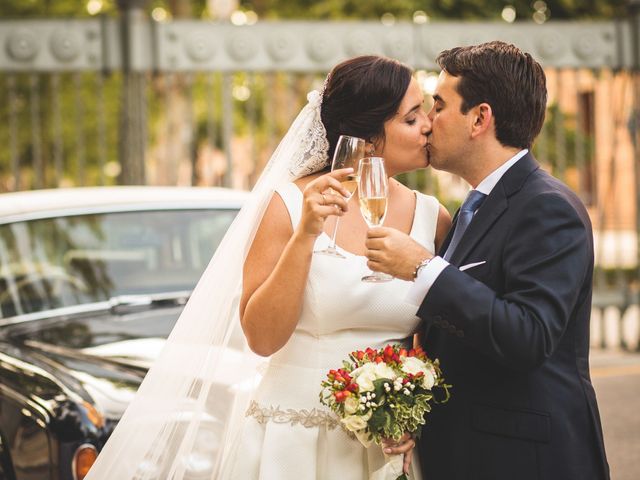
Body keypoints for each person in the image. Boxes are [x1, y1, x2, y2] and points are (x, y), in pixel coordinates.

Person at [86, 55, 450, 480]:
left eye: (425, 111)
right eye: (411, 117)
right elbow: (261, 338)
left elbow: (438, 337)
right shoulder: (288, 205)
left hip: (386, 449)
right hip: (293, 438)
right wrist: (306, 235)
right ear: (368, 140)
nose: (428, 124)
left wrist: (408, 413)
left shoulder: (433, 217)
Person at [364, 41, 610, 480]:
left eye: (438, 105)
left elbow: (528, 336)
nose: (428, 122)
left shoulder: (548, 208)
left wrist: (424, 268)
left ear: (479, 118)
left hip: (526, 460)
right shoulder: (473, 208)